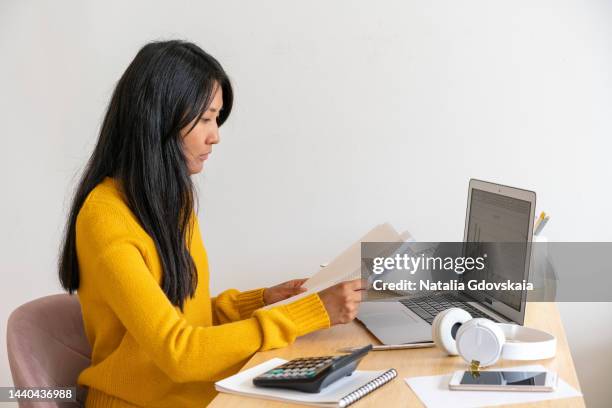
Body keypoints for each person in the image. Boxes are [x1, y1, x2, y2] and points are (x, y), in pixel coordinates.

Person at [58, 40, 364, 408]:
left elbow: (189, 315)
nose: (215, 134)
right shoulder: (105, 217)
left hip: (206, 397)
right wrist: (309, 313)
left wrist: (263, 301)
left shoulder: (171, 199)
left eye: (216, 119)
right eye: (205, 118)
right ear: (158, 119)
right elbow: (180, 352)